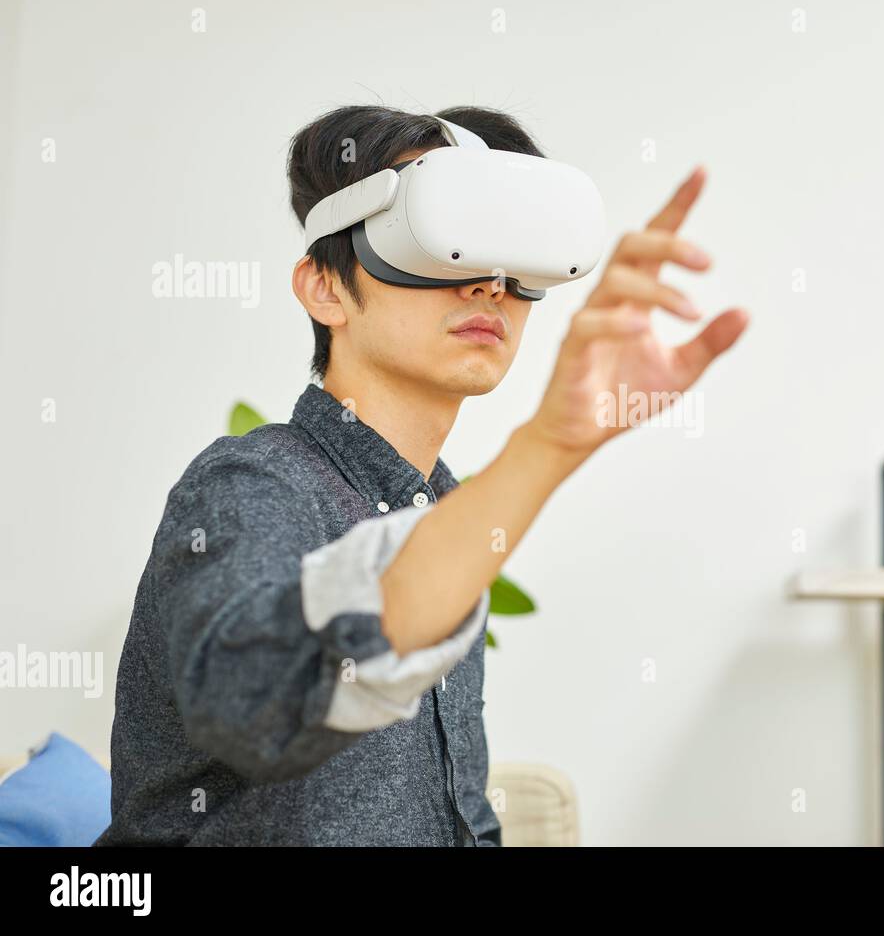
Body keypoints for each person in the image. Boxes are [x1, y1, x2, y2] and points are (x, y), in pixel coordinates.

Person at [95, 105, 748, 845]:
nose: (488, 285)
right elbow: (252, 704)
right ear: (325, 288)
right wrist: (551, 444)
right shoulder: (249, 484)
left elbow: (462, 816)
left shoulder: (450, 512)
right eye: (441, 242)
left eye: (513, 257)